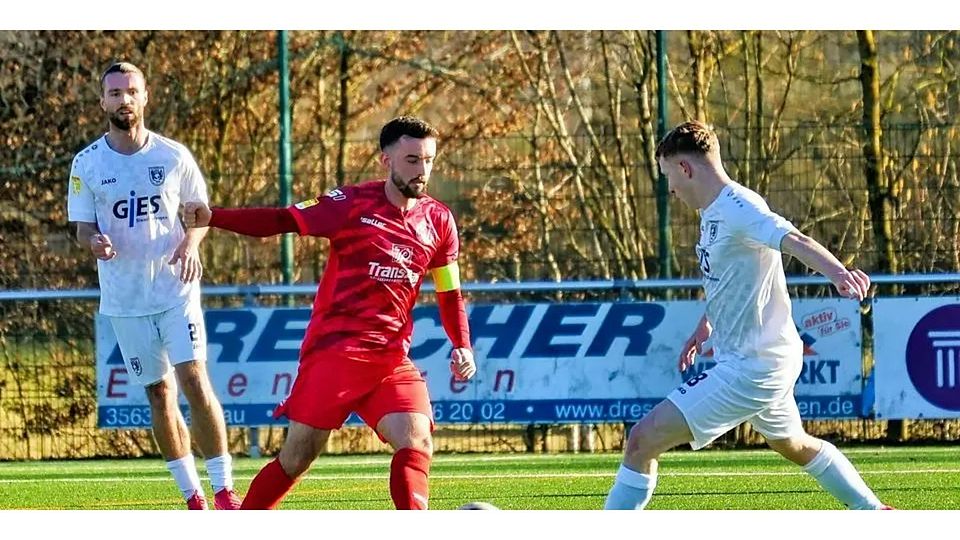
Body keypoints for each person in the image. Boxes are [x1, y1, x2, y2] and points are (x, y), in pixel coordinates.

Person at [183, 115, 477, 510]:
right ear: (385, 160)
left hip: (390, 357)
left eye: (428, 160)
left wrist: (462, 344)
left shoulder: (439, 221)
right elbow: (280, 220)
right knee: (298, 456)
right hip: (335, 352)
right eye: (411, 159)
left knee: (417, 437)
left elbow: (450, 293)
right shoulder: (349, 204)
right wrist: (214, 216)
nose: (421, 170)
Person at [604, 120, 891, 510]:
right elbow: (729, 279)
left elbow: (794, 239)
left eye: (668, 176)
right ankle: (875, 513)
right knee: (794, 444)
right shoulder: (711, 213)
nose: (669, 189)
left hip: (752, 367)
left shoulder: (740, 208)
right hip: (760, 358)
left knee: (640, 441)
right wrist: (704, 327)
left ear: (685, 169)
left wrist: (839, 273)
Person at [67, 62, 240, 510]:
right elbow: (82, 227)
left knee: (194, 379)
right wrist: (95, 242)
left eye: (131, 91)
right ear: (102, 101)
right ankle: (193, 496)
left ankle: (223, 490)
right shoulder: (86, 163)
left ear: (145, 97)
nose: (123, 99)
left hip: (174, 290)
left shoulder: (173, 156)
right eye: (114, 93)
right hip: (125, 300)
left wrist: (192, 243)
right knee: (159, 392)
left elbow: (200, 213)